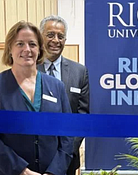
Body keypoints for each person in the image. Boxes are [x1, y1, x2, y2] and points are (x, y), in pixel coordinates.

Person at [0, 21, 73, 175]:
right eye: (20, 44)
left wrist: (54, 171)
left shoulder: (57, 86)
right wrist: (22, 171)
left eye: (32, 44)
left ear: (39, 49)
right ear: (10, 48)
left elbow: (68, 134)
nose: (27, 49)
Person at [37, 15, 89, 175]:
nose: (56, 40)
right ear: (40, 37)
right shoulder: (29, 70)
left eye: (61, 36)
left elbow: (83, 116)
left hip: (68, 160)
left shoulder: (79, 72)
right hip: (34, 158)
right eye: (50, 35)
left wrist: (65, 152)